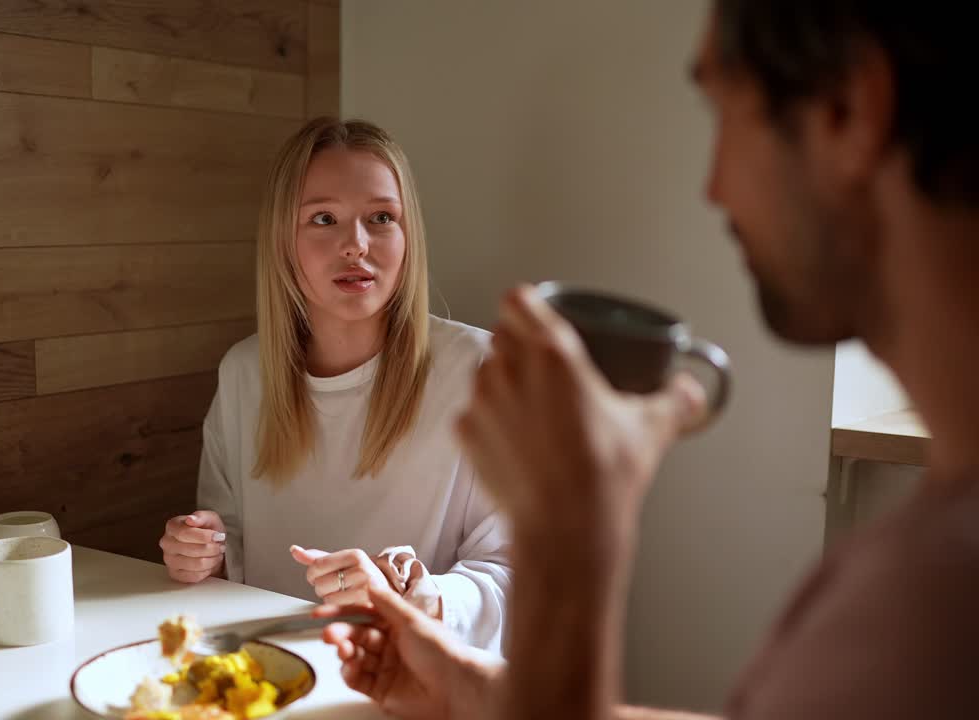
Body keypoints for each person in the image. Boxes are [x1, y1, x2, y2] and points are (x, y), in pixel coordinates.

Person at [319, 2, 979, 718]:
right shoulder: (928, 565)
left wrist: (573, 543)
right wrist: (473, 692)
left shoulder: (935, 602)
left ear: (848, 112)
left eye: (726, 114)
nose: (713, 187)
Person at [158, 118, 512, 651]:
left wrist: (421, 599)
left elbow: (519, 577)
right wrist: (200, 552)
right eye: (324, 218)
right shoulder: (243, 373)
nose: (356, 244)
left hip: (416, 686)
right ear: (283, 240)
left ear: (408, 233)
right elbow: (231, 546)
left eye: (381, 218)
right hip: (274, 674)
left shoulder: (483, 371)